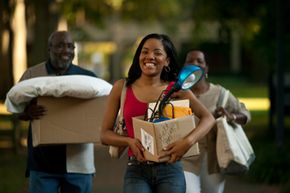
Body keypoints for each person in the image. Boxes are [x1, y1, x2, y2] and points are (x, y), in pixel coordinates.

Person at [100, 33, 215, 193]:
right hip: (136, 170)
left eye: (157, 53)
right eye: (145, 51)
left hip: (171, 169)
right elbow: (104, 135)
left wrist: (188, 141)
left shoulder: (177, 89)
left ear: (167, 61)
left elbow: (208, 118)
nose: (150, 57)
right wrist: (129, 142)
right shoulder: (122, 88)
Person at [17, 31, 96, 193]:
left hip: (79, 163)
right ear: (49, 48)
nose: (66, 50)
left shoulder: (88, 78)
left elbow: (101, 111)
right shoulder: (32, 75)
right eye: (60, 46)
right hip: (42, 164)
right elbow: (15, 107)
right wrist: (27, 112)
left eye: (69, 46)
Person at [181, 50, 251, 193]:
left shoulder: (221, 94)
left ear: (206, 68)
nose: (195, 64)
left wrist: (231, 117)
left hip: (213, 159)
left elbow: (245, 113)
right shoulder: (177, 94)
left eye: (199, 61)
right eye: (190, 61)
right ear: (184, 67)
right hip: (185, 158)